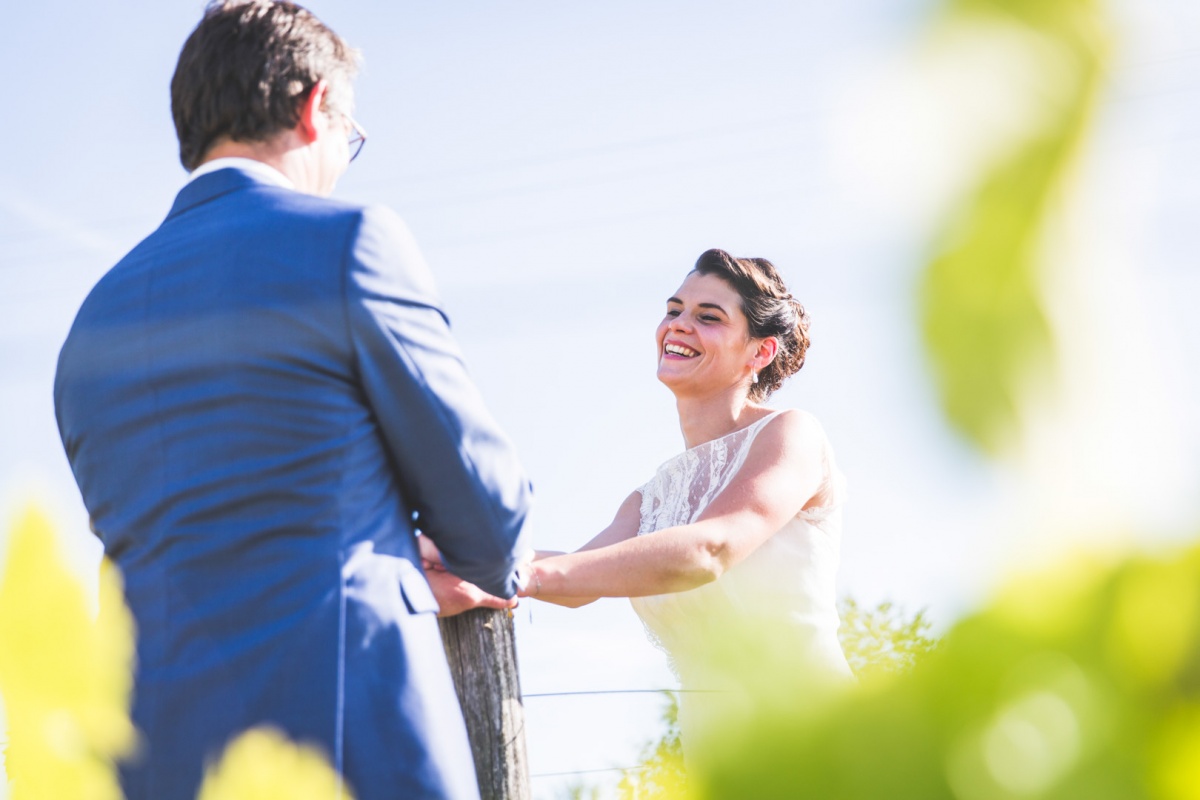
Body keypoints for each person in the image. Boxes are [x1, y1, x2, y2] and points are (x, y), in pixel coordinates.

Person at [52, 2, 531, 799]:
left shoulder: (91, 321)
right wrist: (446, 557)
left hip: (148, 763)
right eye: (352, 135)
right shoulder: (351, 242)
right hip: (351, 742)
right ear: (316, 108)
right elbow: (487, 513)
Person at [520, 248, 853, 763]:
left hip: (820, 743)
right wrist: (462, 557)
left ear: (760, 352)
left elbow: (711, 550)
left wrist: (528, 578)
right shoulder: (650, 498)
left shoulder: (790, 434)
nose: (678, 325)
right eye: (673, 310)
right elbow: (575, 582)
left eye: (708, 317)